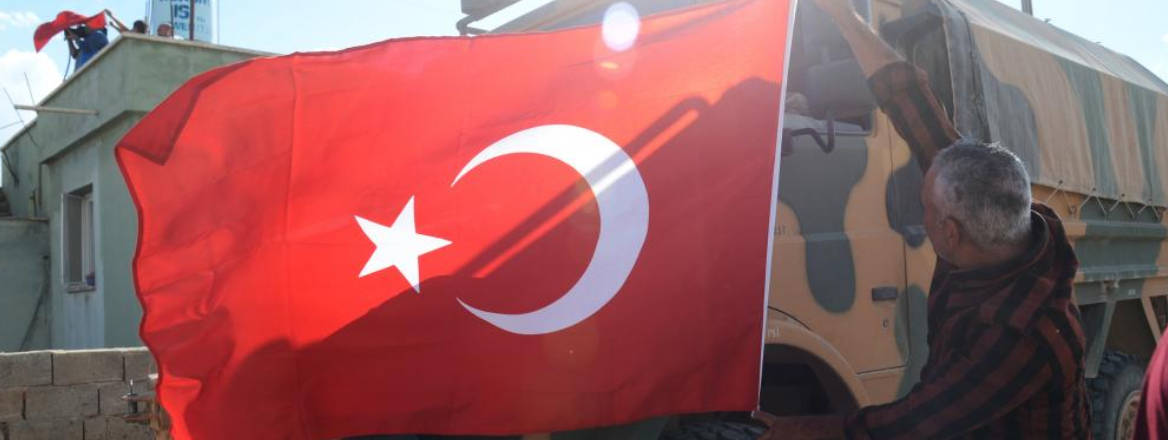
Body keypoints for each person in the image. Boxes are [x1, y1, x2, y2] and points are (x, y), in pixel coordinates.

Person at [754, 0, 1090, 438]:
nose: (920, 211)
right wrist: (842, 15)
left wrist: (794, 431)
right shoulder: (990, 217)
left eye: (925, 207)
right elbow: (908, 96)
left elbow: (915, 424)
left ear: (950, 232)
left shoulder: (1024, 332)